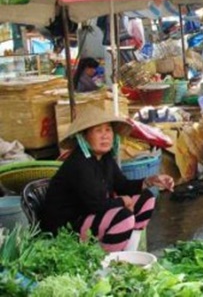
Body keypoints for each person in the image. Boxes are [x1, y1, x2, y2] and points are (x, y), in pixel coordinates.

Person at [41, 106, 174, 252]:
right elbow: (96, 204)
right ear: (84, 137)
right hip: (66, 226)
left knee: (146, 198)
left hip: (89, 214)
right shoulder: (79, 163)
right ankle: (105, 262)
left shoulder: (105, 158)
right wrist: (122, 201)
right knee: (122, 217)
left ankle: (129, 250)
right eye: (98, 131)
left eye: (108, 130)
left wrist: (150, 181)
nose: (105, 136)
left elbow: (122, 185)